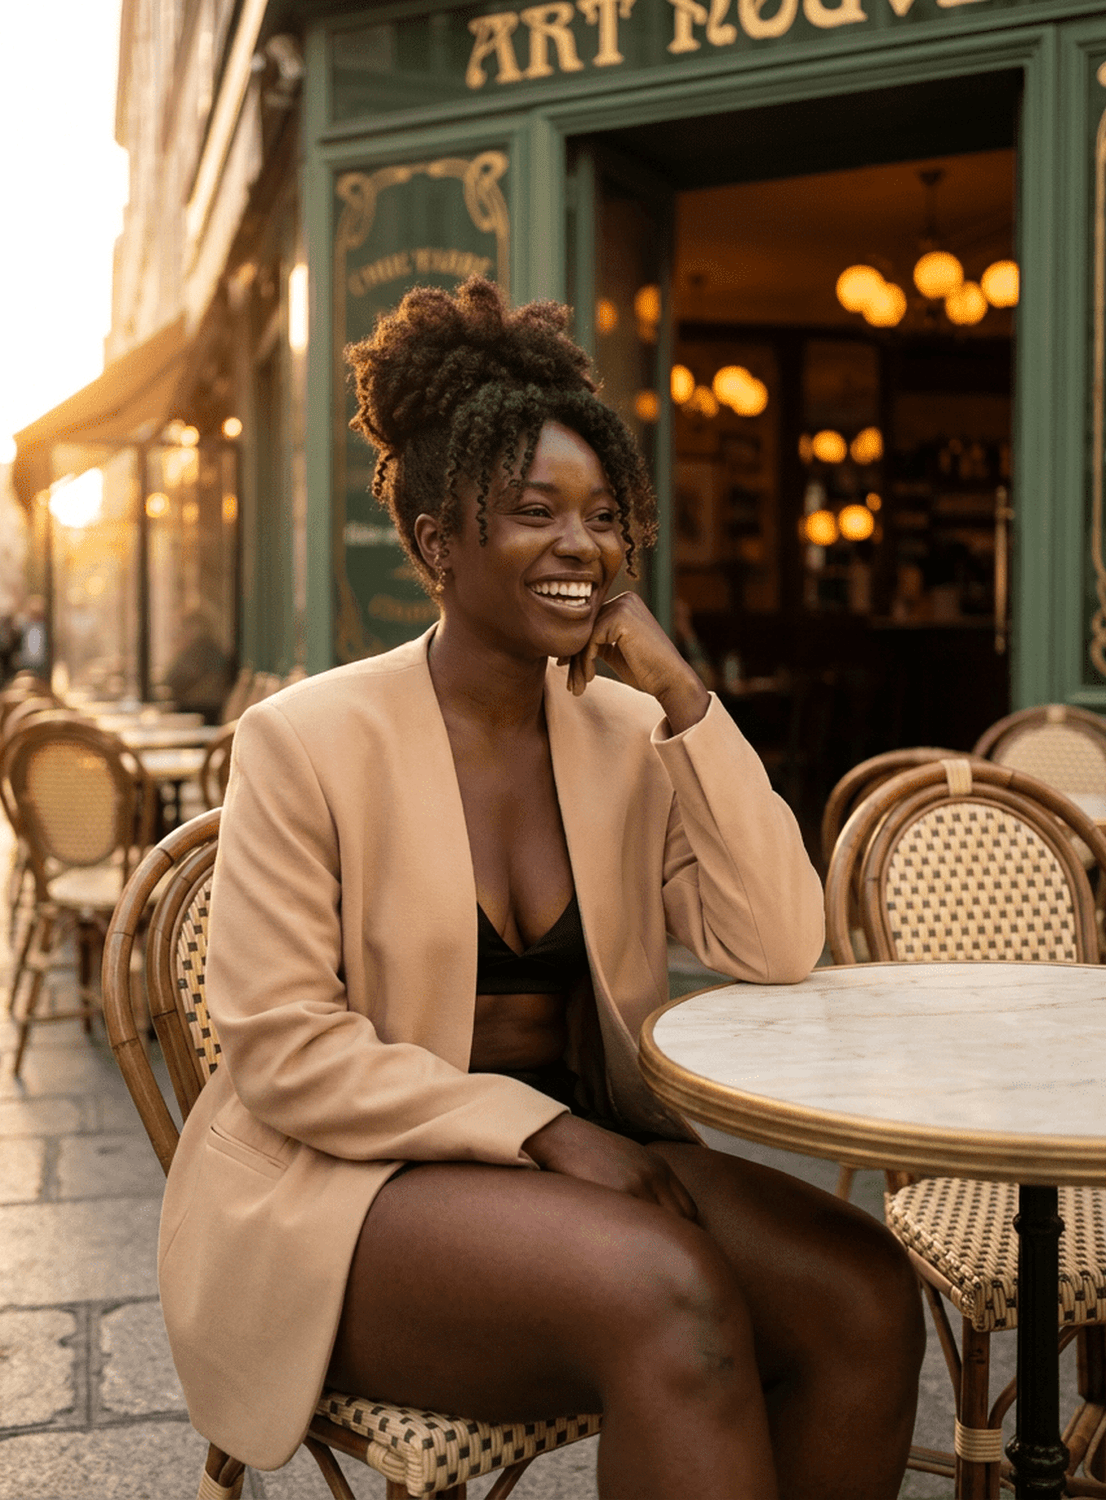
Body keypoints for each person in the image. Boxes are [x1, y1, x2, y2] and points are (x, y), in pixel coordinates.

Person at [159, 278, 924, 1496]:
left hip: (582, 1175)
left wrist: (688, 701)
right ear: (433, 543)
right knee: (669, 1296)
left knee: (865, 1293)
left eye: (606, 514)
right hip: (354, 1197)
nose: (583, 543)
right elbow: (283, 1048)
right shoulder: (304, 740)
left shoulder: (631, 735)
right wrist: (548, 1132)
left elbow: (778, 942)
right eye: (533, 511)